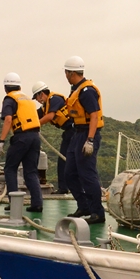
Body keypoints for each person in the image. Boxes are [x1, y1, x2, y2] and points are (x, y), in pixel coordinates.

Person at [62, 56, 105, 224]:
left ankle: (97, 212)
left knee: (87, 175)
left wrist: (90, 140)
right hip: (77, 134)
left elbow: (94, 115)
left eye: (66, 73)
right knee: (69, 173)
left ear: (71, 73)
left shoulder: (87, 91)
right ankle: (84, 206)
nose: (65, 76)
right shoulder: (76, 90)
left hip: (87, 134)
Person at [0, 73, 44, 212]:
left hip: (22, 137)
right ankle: (37, 204)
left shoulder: (9, 99)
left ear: (5, 88)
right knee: (31, 172)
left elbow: (8, 120)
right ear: (20, 86)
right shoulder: (28, 99)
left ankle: (14, 203)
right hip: (35, 137)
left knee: (10, 168)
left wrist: (1, 141)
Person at [32, 81, 72, 194]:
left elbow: (50, 116)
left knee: (76, 160)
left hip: (75, 131)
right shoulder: (46, 106)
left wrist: (36, 125)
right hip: (68, 133)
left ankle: (84, 187)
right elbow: (34, 115)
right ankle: (63, 187)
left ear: (41, 94)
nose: (37, 100)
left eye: (36, 97)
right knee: (63, 160)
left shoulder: (55, 99)